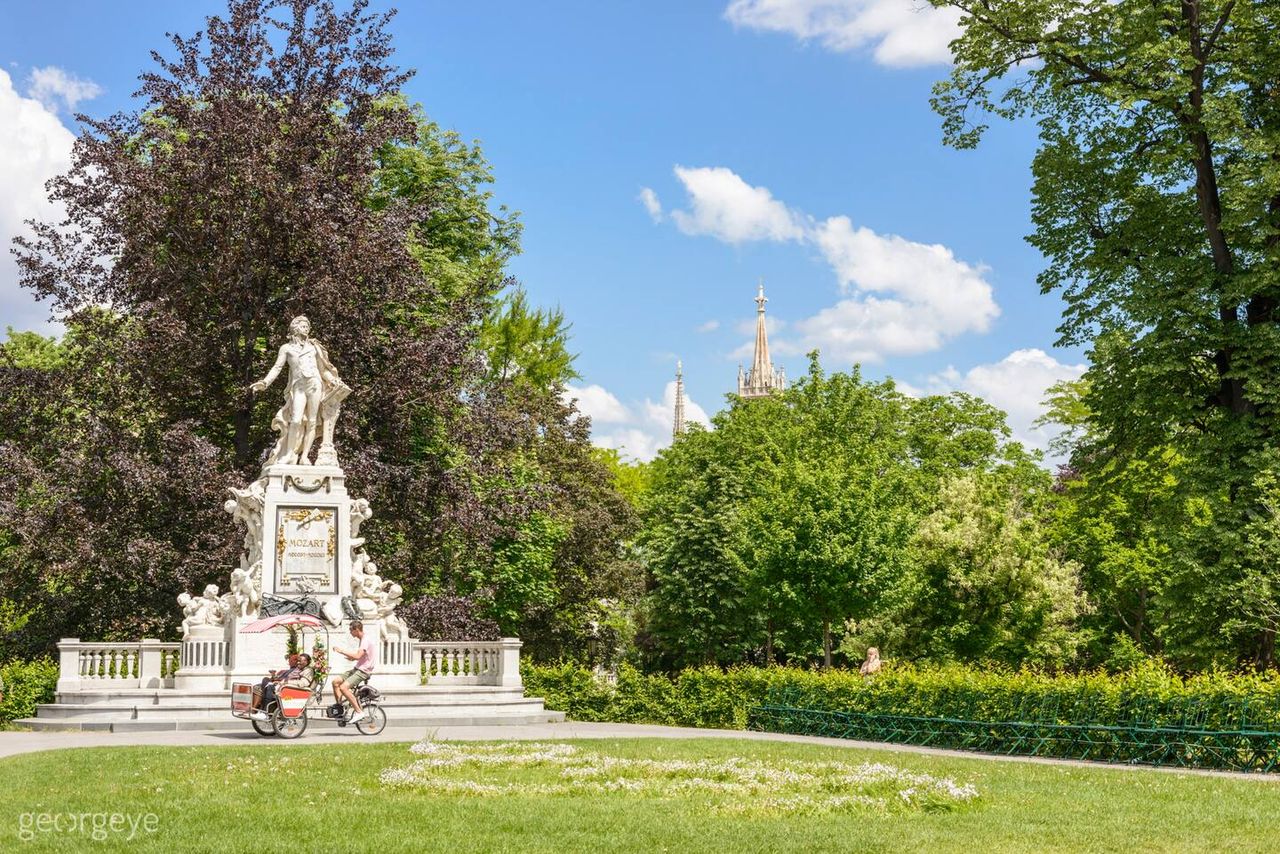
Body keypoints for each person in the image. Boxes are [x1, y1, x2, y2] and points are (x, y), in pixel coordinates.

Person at [332, 620, 376, 723]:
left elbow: (357, 656)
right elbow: (361, 657)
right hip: (357, 668)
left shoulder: (365, 640)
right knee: (336, 682)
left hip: (363, 671)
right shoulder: (363, 639)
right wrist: (352, 658)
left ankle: (358, 711)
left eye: (351, 630)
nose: (350, 632)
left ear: (356, 630)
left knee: (343, 687)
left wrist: (341, 651)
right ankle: (340, 708)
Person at [250, 654, 314, 721]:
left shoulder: (308, 671)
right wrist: (279, 682)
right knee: (266, 683)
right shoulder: (298, 669)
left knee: (269, 687)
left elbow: (303, 683)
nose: (298, 662)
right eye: (298, 660)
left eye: (301, 661)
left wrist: (286, 683)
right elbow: (286, 679)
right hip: (284, 686)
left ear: (307, 662)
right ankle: (258, 710)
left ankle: (265, 713)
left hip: (290, 689)